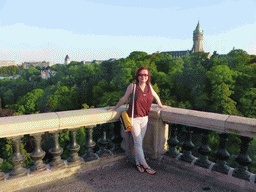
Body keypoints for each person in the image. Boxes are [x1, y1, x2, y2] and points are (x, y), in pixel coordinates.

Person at [107, 66, 165, 175]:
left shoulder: (149, 86)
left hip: (145, 118)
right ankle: (146, 165)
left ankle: (138, 163)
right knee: (138, 143)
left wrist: (160, 104)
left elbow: (155, 95)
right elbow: (124, 98)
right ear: (137, 76)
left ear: (148, 77)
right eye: (141, 75)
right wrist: (114, 108)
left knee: (139, 143)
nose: (144, 77)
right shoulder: (133, 86)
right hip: (133, 119)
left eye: (146, 75)